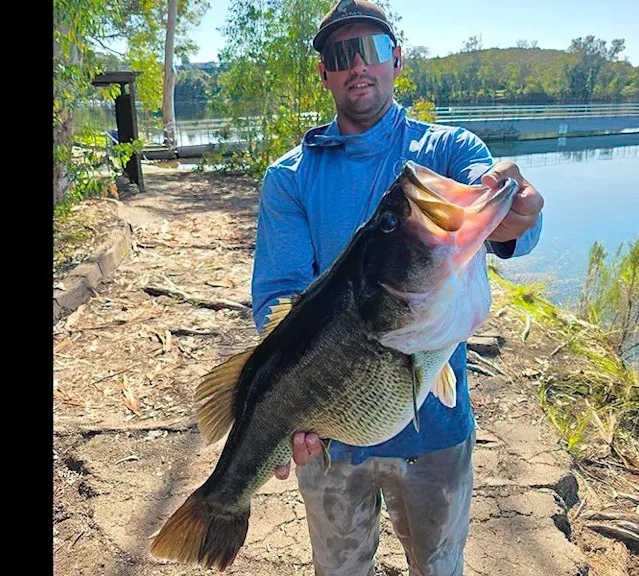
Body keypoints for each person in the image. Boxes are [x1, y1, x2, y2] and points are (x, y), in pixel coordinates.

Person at [250, 2, 544, 574]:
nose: (358, 66)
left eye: (374, 50)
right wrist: (293, 402)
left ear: (397, 59)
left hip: (436, 433)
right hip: (332, 435)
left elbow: (511, 229)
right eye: (341, 54)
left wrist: (517, 217)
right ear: (325, 73)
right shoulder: (289, 178)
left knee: (439, 565)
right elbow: (279, 301)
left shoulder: (448, 153)